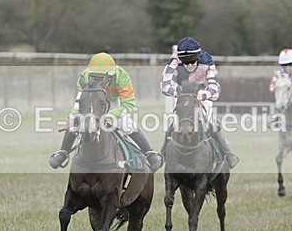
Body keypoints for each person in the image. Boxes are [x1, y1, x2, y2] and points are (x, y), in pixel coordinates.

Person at [48, 52, 163, 172]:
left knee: (126, 124)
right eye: (95, 77)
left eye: (101, 78)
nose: (98, 81)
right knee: (74, 121)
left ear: (111, 76)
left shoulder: (122, 77)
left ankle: (150, 153)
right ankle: (63, 152)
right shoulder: (85, 76)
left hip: (113, 102)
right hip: (92, 102)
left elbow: (128, 104)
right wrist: (72, 116)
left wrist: (110, 115)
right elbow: (80, 101)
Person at [160, 37, 239, 168]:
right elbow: (165, 84)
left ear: (198, 57)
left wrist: (203, 94)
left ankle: (227, 153)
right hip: (182, 96)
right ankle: (162, 155)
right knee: (174, 122)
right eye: (186, 62)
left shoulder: (207, 62)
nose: (189, 65)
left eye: (192, 61)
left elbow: (214, 88)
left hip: (202, 97)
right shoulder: (174, 61)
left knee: (210, 122)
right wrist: (179, 93)